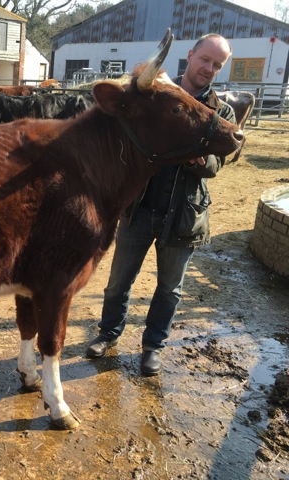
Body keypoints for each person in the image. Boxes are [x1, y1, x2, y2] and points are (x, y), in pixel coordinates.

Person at [85, 33, 237, 376]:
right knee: (118, 280)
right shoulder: (157, 93)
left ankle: (153, 346)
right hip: (140, 207)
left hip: (184, 213)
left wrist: (196, 156)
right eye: (205, 59)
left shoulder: (221, 110)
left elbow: (217, 164)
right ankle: (108, 333)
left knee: (170, 288)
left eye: (217, 64)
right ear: (191, 55)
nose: (209, 68)